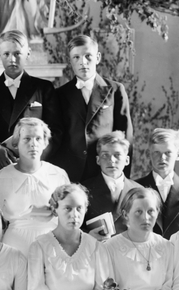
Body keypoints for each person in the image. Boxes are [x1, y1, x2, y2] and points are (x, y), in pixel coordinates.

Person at [27, 184, 122, 290]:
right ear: (55, 209)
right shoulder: (39, 247)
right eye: (67, 208)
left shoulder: (96, 247)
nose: (74, 215)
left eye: (79, 208)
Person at [45, 35, 132, 182]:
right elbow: (55, 136)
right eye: (76, 57)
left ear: (97, 58)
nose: (83, 62)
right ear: (70, 61)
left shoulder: (115, 90)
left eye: (88, 56)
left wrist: (124, 179)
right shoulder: (59, 95)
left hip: (104, 170)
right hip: (69, 172)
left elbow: (126, 137)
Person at [0, 31, 56, 171]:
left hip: (34, 166)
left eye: (17, 53)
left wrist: (36, 159)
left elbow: (55, 130)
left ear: (28, 53)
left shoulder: (43, 88)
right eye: (6, 54)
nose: (12, 59)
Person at [0, 117, 70, 254]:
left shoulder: (58, 175)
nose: (33, 144)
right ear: (16, 143)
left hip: (51, 248)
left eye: (38, 139)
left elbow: (69, 216)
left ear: (45, 143)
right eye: (27, 139)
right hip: (13, 248)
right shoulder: (0, 178)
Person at [135, 127, 179, 238]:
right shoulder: (136, 188)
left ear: (178, 155)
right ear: (149, 154)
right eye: (156, 152)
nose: (162, 158)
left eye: (168, 153)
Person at [81, 131, 139, 238]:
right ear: (98, 160)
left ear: (127, 160)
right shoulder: (83, 189)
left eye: (117, 155)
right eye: (105, 155)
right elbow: (73, 227)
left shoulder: (139, 190)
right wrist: (88, 235)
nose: (111, 160)